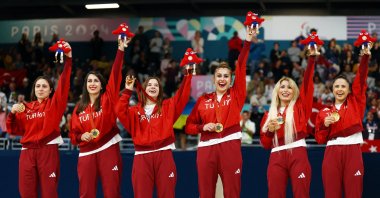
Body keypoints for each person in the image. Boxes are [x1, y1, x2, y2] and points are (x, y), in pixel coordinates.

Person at [185, 25, 254, 198]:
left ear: (231, 80)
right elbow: (189, 126)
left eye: (226, 76)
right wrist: (202, 128)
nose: (222, 79)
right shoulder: (203, 99)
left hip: (230, 146)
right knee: (206, 193)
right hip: (206, 148)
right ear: (213, 79)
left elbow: (242, 64)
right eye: (219, 76)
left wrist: (247, 42)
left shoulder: (236, 94)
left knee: (232, 192)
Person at [6, 41, 72, 198]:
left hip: (47, 151)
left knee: (49, 193)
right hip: (27, 152)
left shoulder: (54, 105)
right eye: (38, 86)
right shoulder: (25, 107)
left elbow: (63, 84)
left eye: (44, 86)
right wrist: (12, 114)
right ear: (34, 90)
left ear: (50, 90)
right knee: (26, 192)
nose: (40, 89)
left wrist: (68, 60)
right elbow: (13, 130)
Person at [116, 68, 193, 197]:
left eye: (156, 85)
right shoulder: (134, 112)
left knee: (167, 194)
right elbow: (119, 111)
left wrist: (188, 75)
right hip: (142, 157)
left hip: (164, 155)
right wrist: (128, 90)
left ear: (160, 90)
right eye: (149, 85)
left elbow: (182, 96)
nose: (153, 87)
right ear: (144, 89)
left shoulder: (168, 107)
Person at [69, 38, 127, 198]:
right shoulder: (79, 108)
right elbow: (73, 136)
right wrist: (82, 136)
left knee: (112, 192)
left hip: (108, 148)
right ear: (85, 85)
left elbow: (116, 74)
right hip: (86, 153)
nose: (92, 83)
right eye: (89, 81)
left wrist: (120, 50)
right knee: (86, 193)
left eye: (96, 81)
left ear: (102, 85)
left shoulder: (108, 99)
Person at [259, 49, 316, 197]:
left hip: (298, 153)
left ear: (294, 91)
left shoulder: (300, 107)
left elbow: (308, 83)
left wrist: (311, 60)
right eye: (282, 87)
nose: (285, 90)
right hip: (276, 156)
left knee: (301, 194)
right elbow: (265, 144)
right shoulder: (268, 114)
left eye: (289, 87)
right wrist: (270, 130)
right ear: (277, 91)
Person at [315, 51, 370, 198]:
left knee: (354, 193)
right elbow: (319, 139)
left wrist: (365, 58)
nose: (339, 89)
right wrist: (325, 125)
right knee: (331, 194)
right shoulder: (324, 112)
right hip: (331, 153)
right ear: (332, 90)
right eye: (336, 86)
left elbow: (361, 80)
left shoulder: (355, 102)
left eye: (343, 86)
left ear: (349, 90)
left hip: (353, 150)